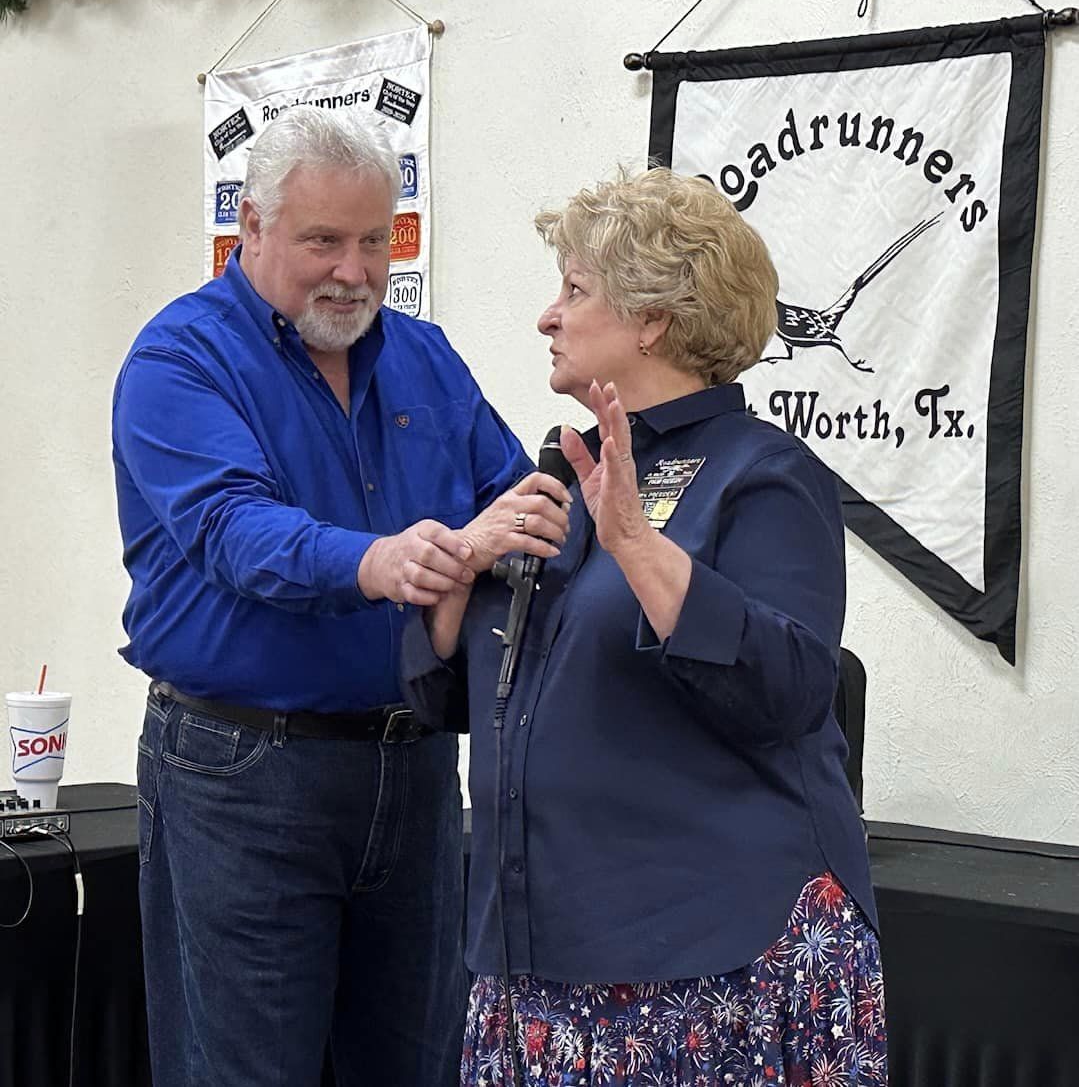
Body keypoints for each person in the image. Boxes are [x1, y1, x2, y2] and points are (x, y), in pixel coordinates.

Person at [112, 106, 569, 1087]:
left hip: (413, 770)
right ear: (251, 227)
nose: (354, 272)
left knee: (420, 1067)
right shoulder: (178, 360)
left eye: (374, 241)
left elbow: (506, 507)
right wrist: (383, 563)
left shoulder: (424, 354)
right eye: (324, 241)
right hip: (242, 775)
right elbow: (233, 531)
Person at [403, 168, 888, 1086]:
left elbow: (789, 688)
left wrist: (634, 544)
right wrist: (459, 569)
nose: (547, 317)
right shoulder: (563, 478)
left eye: (574, 289)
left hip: (713, 960)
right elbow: (454, 697)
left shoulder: (763, 472)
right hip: (535, 960)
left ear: (653, 319)